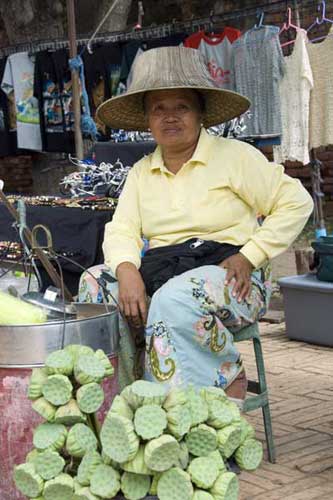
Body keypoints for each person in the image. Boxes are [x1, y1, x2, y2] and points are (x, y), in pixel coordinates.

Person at [79, 46, 313, 407]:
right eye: (159, 108)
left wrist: (251, 256)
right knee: (95, 285)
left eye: (182, 106)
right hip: (165, 269)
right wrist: (126, 270)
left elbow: (297, 202)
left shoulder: (234, 157)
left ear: (201, 113)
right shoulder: (142, 171)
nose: (170, 117)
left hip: (235, 277)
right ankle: (126, 402)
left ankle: (215, 382)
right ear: (147, 118)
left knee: (175, 297)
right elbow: (121, 229)